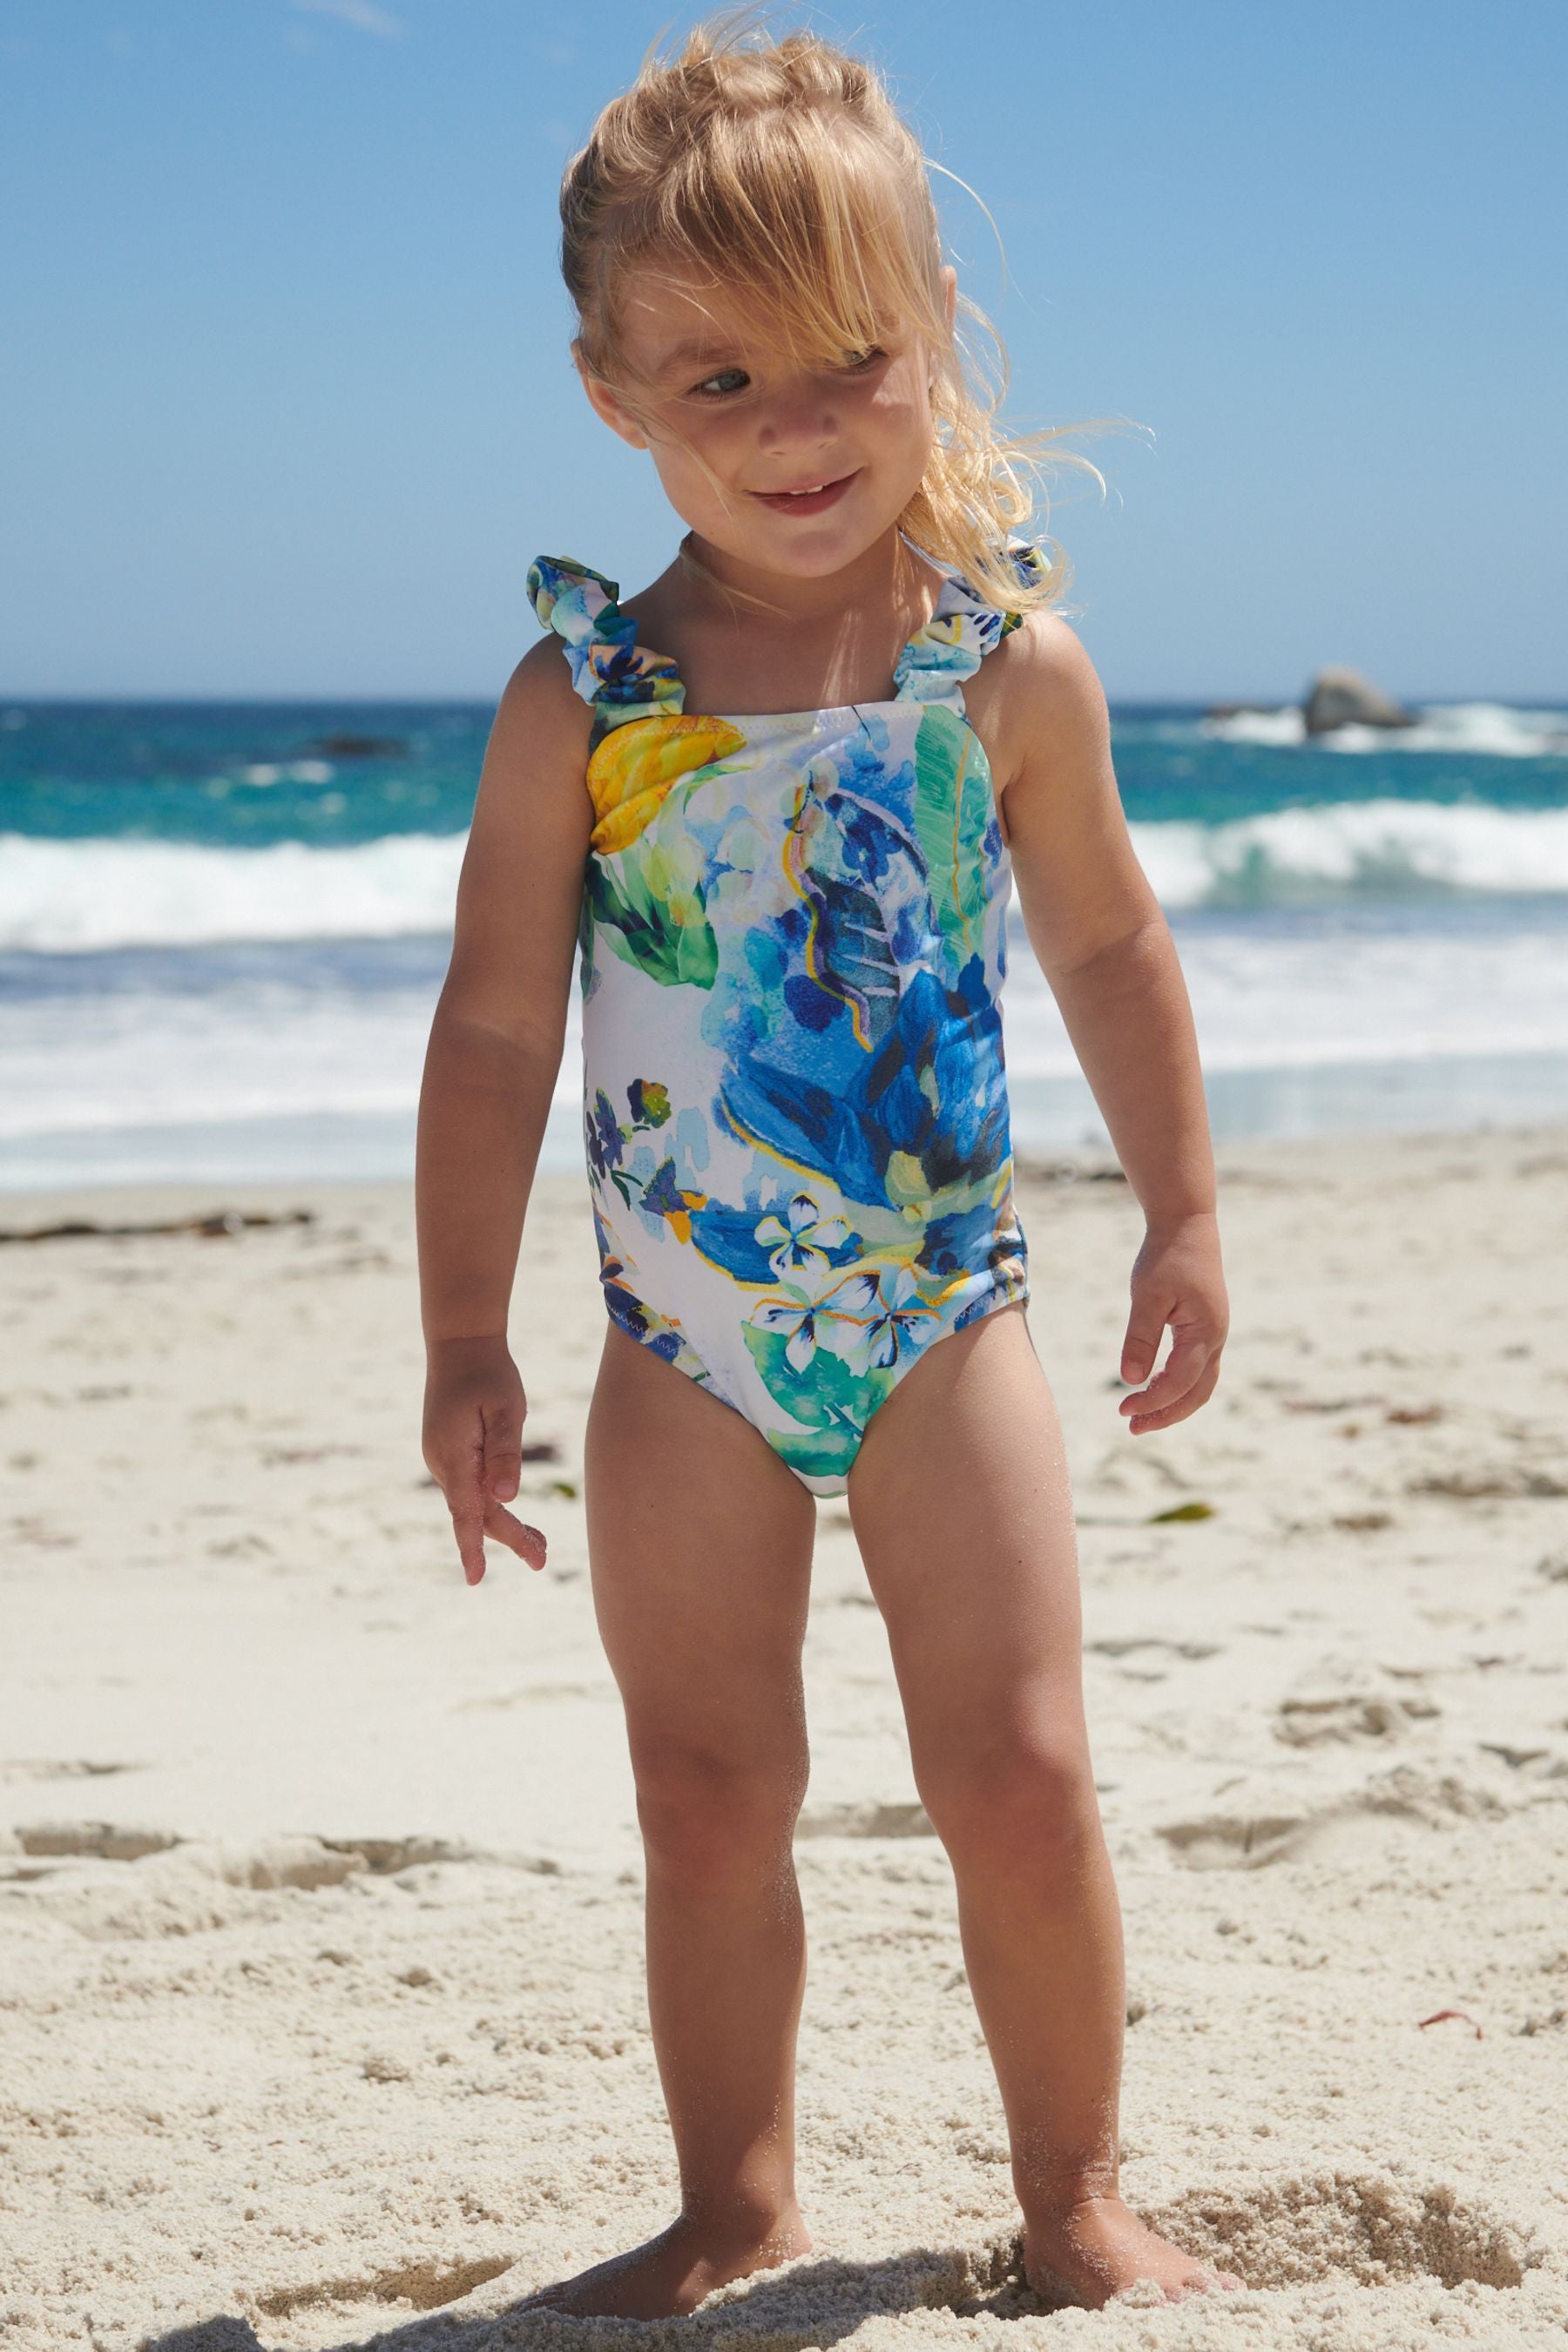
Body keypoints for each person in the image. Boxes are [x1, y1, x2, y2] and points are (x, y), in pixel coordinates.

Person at [416, 13, 1235, 2322]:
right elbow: (489, 1035)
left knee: (1025, 1762)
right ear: (609, 390)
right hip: (679, 1336)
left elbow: (1109, 941)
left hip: (944, 1313)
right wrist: (463, 1330)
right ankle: (734, 2204)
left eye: (847, 364)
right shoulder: (584, 699)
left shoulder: (1000, 663)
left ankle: (1074, 2190)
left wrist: (1181, 1205)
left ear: (935, 334)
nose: (792, 434)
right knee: (705, 1788)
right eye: (717, 383)